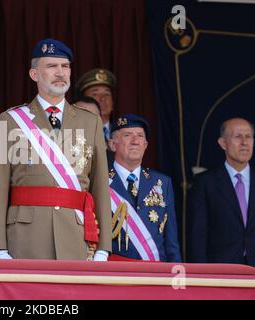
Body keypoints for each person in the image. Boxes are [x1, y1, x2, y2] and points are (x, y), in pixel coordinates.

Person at [0, 38, 112, 261]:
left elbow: (100, 186)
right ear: (34, 74)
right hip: (25, 237)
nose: (60, 73)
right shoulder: (10, 120)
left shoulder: (90, 122)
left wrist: (103, 247)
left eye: (65, 66)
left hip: (76, 238)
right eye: (51, 66)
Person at [107, 114, 181, 262]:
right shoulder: (100, 180)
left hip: (154, 273)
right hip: (114, 273)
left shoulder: (162, 182)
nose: (135, 141)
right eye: (127, 135)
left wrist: (176, 273)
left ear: (146, 145)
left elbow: (171, 239)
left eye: (140, 136)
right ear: (112, 145)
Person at [187, 118, 254, 266]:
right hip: (221, 271)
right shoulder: (205, 183)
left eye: (248, 136)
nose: (244, 142)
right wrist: (201, 276)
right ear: (223, 143)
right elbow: (198, 235)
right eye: (237, 136)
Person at [75, 68, 116, 167]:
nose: (102, 98)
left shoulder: (122, 131)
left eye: (107, 94)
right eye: (95, 94)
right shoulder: (74, 132)